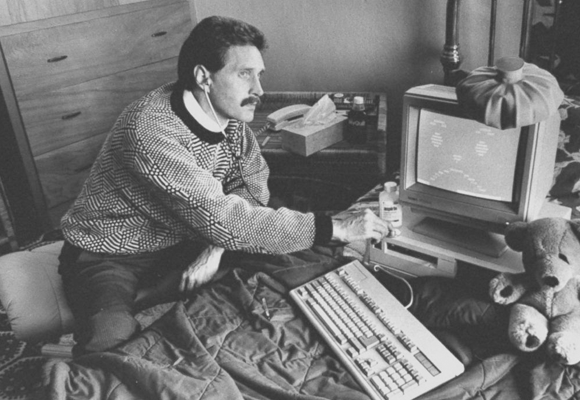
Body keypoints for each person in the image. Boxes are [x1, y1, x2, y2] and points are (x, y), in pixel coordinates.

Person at [58, 15, 394, 355]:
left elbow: (252, 190)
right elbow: (225, 219)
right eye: (245, 74)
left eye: (259, 75)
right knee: (110, 340)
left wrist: (215, 247)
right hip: (110, 252)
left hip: (185, 236)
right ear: (203, 77)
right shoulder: (149, 129)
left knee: (297, 259)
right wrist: (336, 228)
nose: (259, 90)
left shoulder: (230, 121)